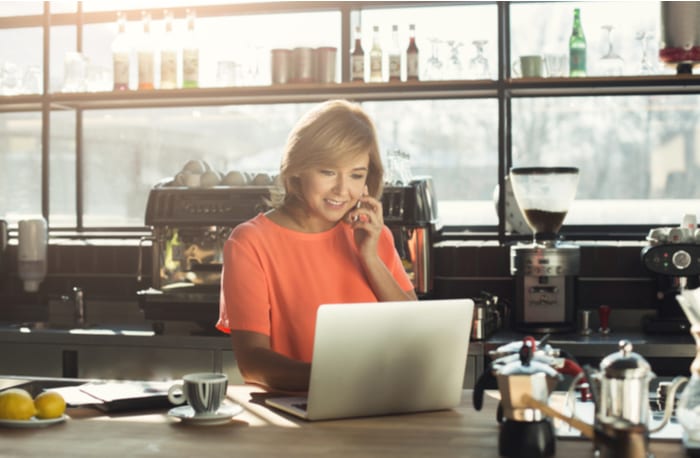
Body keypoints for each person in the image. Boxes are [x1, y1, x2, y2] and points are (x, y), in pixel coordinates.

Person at [216, 100, 417, 392]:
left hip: (382, 403)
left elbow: (418, 331)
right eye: (328, 171)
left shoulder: (374, 235)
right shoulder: (249, 242)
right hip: (299, 412)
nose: (342, 190)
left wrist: (370, 258)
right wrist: (339, 379)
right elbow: (252, 363)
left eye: (356, 175)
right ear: (297, 169)